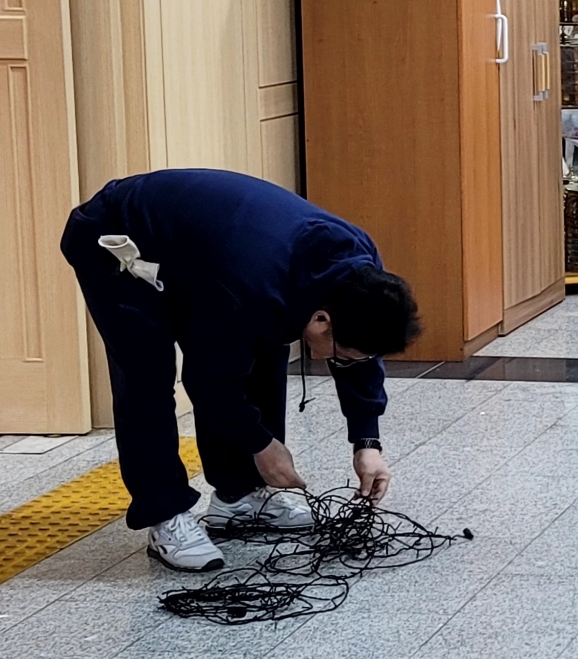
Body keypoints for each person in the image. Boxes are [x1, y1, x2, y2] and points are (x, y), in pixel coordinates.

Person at [61, 169, 421, 571]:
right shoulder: (252, 286)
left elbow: (361, 355)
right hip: (117, 235)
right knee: (147, 372)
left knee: (264, 348)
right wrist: (261, 445)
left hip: (206, 252)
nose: (344, 363)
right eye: (343, 354)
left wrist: (367, 443)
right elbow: (209, 381)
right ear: (322, 320)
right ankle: (164, 516)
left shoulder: (361, 267)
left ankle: (239, 496)